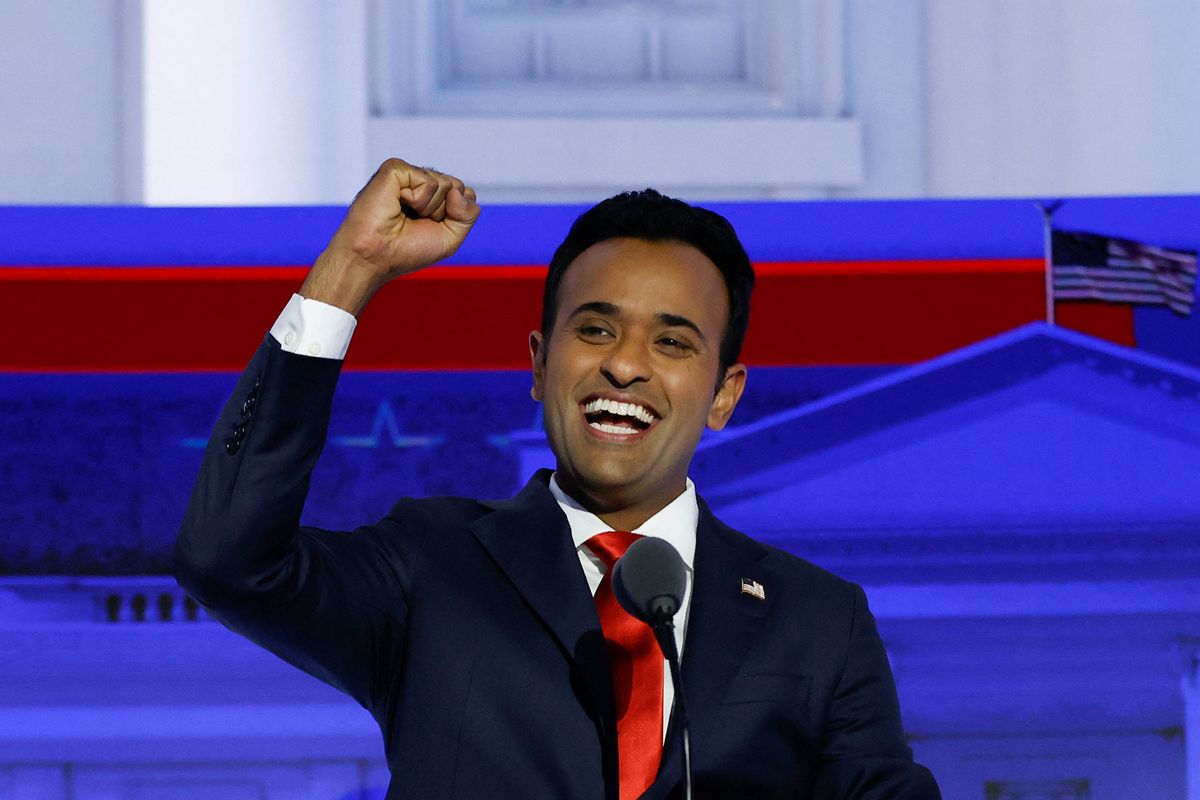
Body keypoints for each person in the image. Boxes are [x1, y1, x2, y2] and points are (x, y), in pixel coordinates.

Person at [175, 158, 941, 799]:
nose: (625, 363)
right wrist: (351, 267)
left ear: (725, 395)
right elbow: (228, 560)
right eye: (596, 329)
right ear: (540, 365)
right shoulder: (433, 567)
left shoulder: (816, 621)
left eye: (672, 342)